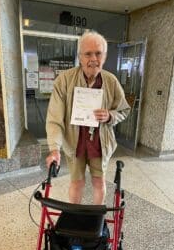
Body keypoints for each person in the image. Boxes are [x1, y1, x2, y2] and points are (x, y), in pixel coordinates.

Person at [46, 31, 130, 205]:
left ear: (105, 56)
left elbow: (124, 110)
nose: (93, 58)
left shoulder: (111, 81)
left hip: (100, 142)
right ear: (80, 56)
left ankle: (96, 216)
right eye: (88, 53)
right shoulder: (64, 80)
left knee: (99, 181)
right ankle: (75, 215)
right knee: (77, 182)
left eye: (98, 53)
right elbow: (55, 118)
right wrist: (54, 149)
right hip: (74, 142)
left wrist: (110, 116)